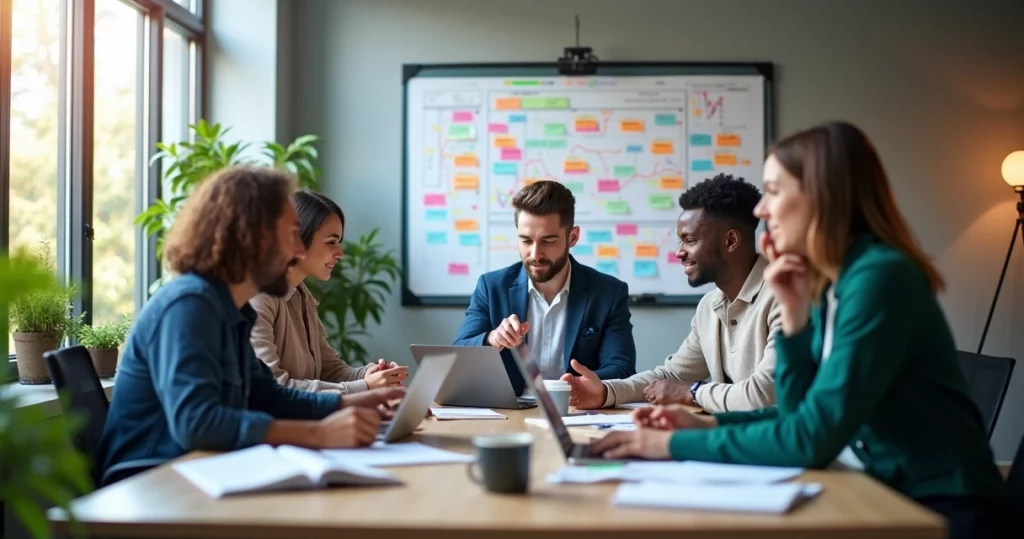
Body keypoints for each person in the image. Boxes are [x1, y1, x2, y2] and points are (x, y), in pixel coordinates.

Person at [590, 121, 1012, 539]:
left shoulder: (880, 279)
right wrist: (707, 425)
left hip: (939, 509)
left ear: (820, 198)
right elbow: (799, 413)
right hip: (879, 489)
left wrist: (668, 446)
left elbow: (809, 439)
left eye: (773, 191)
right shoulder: (834, 282)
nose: (761, 210)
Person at [97, 166, 405, 487]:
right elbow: (197, 423)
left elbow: (267, 395)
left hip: (206, 474)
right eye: (291, 235)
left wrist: (351, 402)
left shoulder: (232, 309)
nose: (299, 250)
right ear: (251, 238)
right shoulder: (189, 305)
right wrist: (319, 432)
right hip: (152, 487)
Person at [562, 174, 781, 412]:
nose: (679, 252)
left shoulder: (783, 298)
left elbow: (763, 395)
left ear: (730, 241)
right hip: (729, 439)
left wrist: (692, 392)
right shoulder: (710, 306)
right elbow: (672, 374)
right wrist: (607, 392)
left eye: (690, 240)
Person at [453, 180, 637, 395]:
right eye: (526, 241)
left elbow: (622, 369)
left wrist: (575, 386)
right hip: (509, 413)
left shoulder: (609, 293)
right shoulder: (492, 287)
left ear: (573, 237)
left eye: (548, 241)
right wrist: (492, 339)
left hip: (576, 411)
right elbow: (459, 353)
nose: (535, 254)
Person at [249, 189, 408, 393]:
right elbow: (272, 388)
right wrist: (365, 386)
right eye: (331, 242)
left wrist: (370, 375)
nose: (340, 253)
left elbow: (329, 370)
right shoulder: (259, 298)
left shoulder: (302, 295)